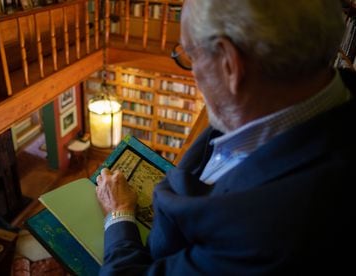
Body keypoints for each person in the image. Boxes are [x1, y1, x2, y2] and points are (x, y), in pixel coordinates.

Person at [96, 0, 356, 274]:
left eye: (191, 56)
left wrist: (119, 213)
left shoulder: (263, 230)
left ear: (229, 63)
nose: (194, 72)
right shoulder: (316, 96)